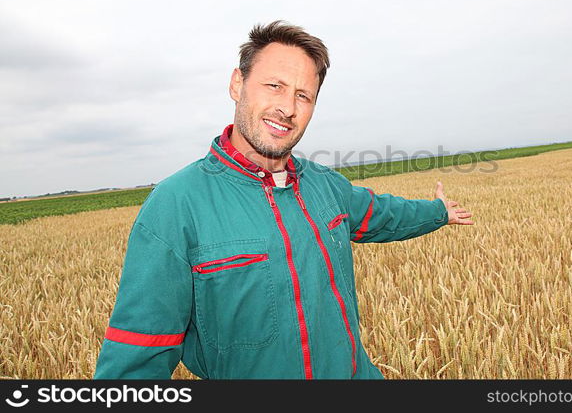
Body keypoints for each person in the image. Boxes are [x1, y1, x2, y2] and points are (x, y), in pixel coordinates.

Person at [93, 20, 474, 379]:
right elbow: (137, 354)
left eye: (303, 96)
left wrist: (439, 212)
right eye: (274, 86)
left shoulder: (326, 186)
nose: (288, 108)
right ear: (237, 84)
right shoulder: (177, 205)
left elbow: (385, 214)